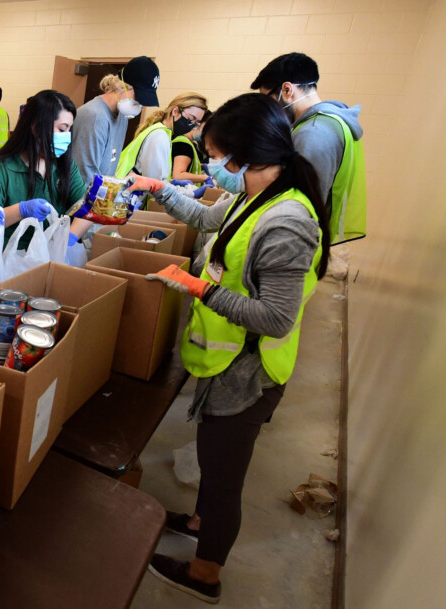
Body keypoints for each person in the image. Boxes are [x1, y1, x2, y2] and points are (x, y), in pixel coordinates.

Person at [123, 93, 331, 604]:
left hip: (250, 373)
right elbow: (214, 223)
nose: (212, 165)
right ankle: (199, 524)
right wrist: (160, 191)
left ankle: (205, 573)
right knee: (215, 467)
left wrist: (201, 289)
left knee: (222, 480)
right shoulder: (257, 193)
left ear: (248, 155)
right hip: (226, 359)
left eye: (218, 156)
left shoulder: (287, 222)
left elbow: (278, 317)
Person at [251, 52, 366, 245]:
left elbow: (300, 206)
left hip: (296, 239)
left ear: (286, 90)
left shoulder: (313, 133)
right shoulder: (333, 121)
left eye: (268, 100)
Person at [0, 89, 97, 250]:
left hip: (47, 256)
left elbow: (86, 208)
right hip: (5, 260)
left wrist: (68, 238)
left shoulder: (64, 166)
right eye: (61, 129)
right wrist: (21, 210)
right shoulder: (0, 171)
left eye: (68, 130)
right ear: (36, 127)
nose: (66, 136)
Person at [70, 56, 160, 184]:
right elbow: (84, 175)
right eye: (139, 97)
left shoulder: (122, 116)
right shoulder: (94, 116)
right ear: (123, 86)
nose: (140, 104)